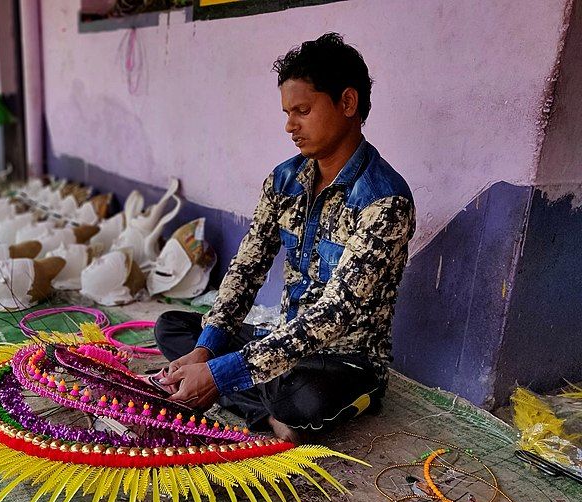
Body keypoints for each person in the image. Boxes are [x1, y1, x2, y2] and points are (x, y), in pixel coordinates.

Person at [153, 33, 416, 444]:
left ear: (347, 103)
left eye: (303, 110)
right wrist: (207, 350)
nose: (290, 126)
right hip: (281, 341)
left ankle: (262, 403)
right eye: (287, 113)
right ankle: (264, 408)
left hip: (342, 362)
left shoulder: (385, 201)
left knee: (299, 400)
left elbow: (334, 316)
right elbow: (247, 267)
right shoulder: (284, 179)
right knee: (173, 328)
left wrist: (223, 372)